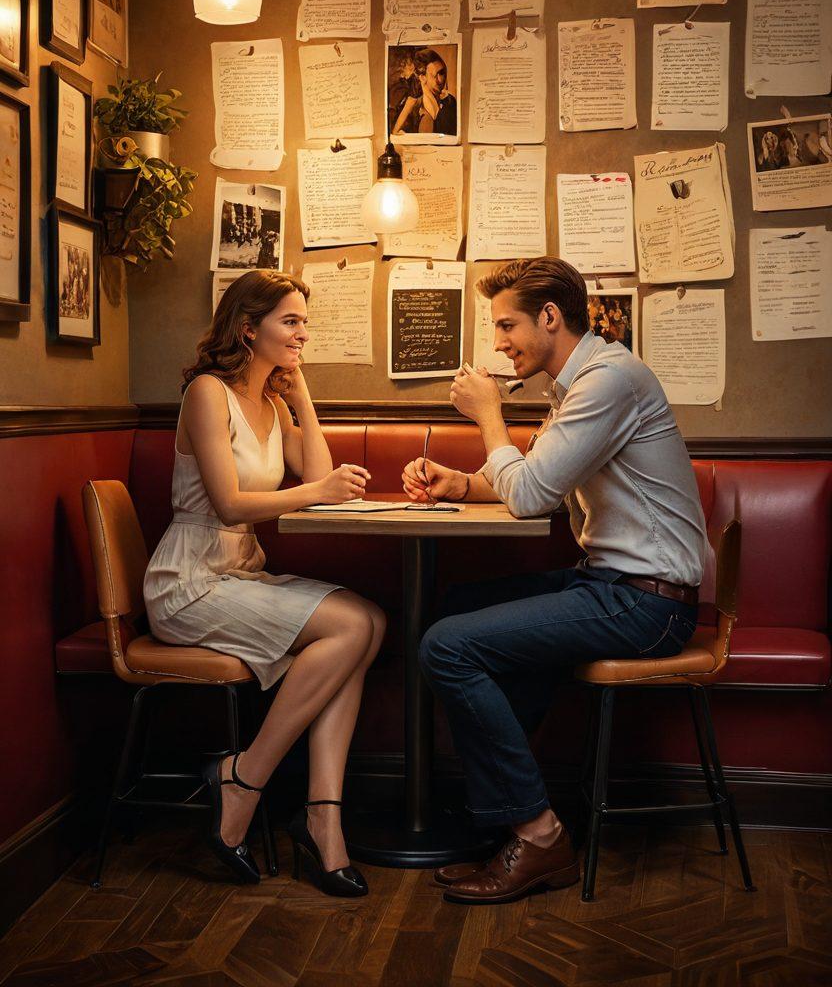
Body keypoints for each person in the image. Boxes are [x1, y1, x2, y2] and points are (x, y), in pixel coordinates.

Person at [402, 258, 706, 905]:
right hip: (611, 585)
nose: (499, 342)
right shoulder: (576, 386)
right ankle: (506, 817)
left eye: (507, 324)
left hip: (647, 604)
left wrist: (487, 415)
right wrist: (458, 483)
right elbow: (527, 484)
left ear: (549, 317)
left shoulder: (609, 380)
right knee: (457, 608)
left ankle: (537, 833)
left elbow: (531, 494)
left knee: (447, 646)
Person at [144, 270, 386, 897]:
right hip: (190, 582)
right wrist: (313, 493)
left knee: (372, 623)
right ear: (248, 328)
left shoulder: (273, 404)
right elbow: (227, 504)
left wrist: (300, 393)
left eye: (305, 321)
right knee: (353, 624)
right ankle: (246, 778)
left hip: (240, 572)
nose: (304, 332)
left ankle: (319, 814)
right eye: (291, 322)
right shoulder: (206, 392)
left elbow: (321, 471)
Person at [391, 47, 457, 136]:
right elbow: (395, 133)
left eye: (441, 73)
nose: (440, 80)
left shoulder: (450, 101)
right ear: (422, 78)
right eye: (435, 75)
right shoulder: (414, 108)